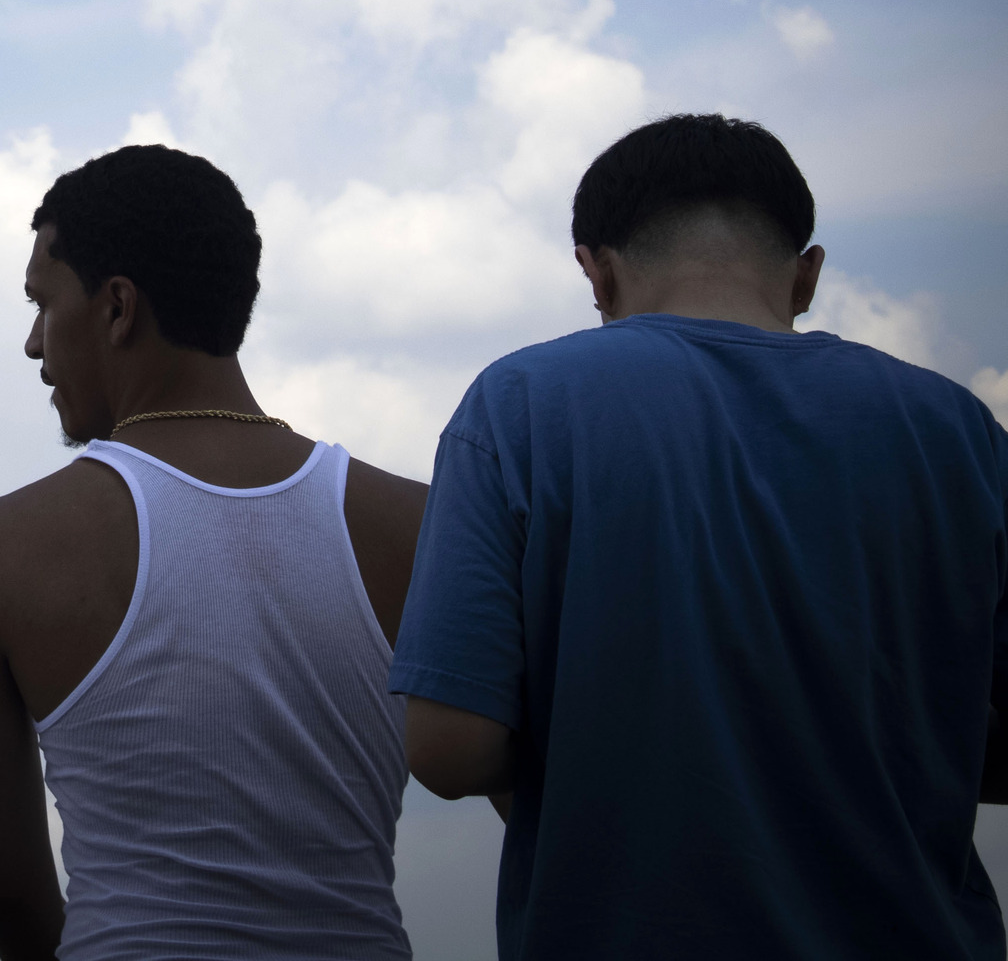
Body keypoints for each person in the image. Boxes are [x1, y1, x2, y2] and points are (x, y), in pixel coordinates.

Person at [391, 113, 1008, 959]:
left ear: (596, 270)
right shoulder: (959, 429)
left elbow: (449, 750)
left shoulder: (522, 403)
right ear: (807, 274)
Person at [0, 144, 429, 961]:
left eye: (42, 305)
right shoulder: (417, 523)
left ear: (117, 306)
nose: (31, 344)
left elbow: (10, 899)